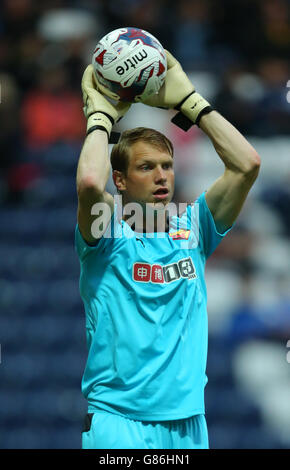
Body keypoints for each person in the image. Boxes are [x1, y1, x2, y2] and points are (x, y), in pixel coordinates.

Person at [75, 51, 260, 449]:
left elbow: (246, 164)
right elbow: (90, 182)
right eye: (146, 167)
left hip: (189, 423)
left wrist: (192, 103)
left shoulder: (193, 227)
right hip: (120, 423)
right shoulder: (106, 236)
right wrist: (100, 120)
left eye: (167, 166)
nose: (162, 176)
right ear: (120, 180)